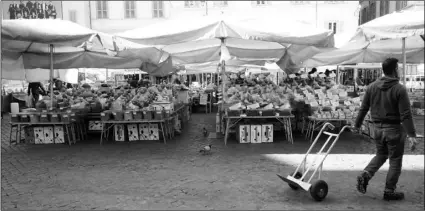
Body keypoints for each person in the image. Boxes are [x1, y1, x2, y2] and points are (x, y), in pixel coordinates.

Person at [353, 58, 418, 201]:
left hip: (377, 129)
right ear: (395, 70)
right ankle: (389, 190)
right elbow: (405, 114)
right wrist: (412, 135)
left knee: (381, 155)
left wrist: (357, 125)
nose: (400, 71)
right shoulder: (399, 89)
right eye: (399, 68)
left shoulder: (371, 87)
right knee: (395, 160)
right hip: (394, 130)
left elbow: (364, 108)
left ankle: (366, 174)